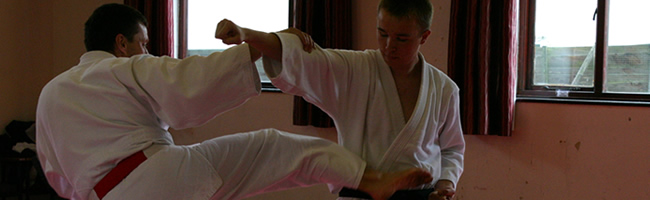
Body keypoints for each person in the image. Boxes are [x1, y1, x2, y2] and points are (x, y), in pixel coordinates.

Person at [35, 3, 434, 200]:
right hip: (163, 178)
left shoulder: (50, 94)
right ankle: (372, 180)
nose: (146, 50)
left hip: (103, 194)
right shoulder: (121, 69)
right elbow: (190, 81)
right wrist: (258, 44)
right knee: (275, 147)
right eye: (142, 43)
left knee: (274, 153)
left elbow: (57, 176)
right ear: (121, 44)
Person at [215, 0, 465, 199]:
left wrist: (445, 184)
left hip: (420, 196)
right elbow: (305, 60)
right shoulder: (355, 69)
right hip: (358, 195)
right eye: (382, 33)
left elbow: (452, 149)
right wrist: (247, 34)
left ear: (424, 36)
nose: (389, 45)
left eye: (401, 38)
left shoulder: (444, 89)